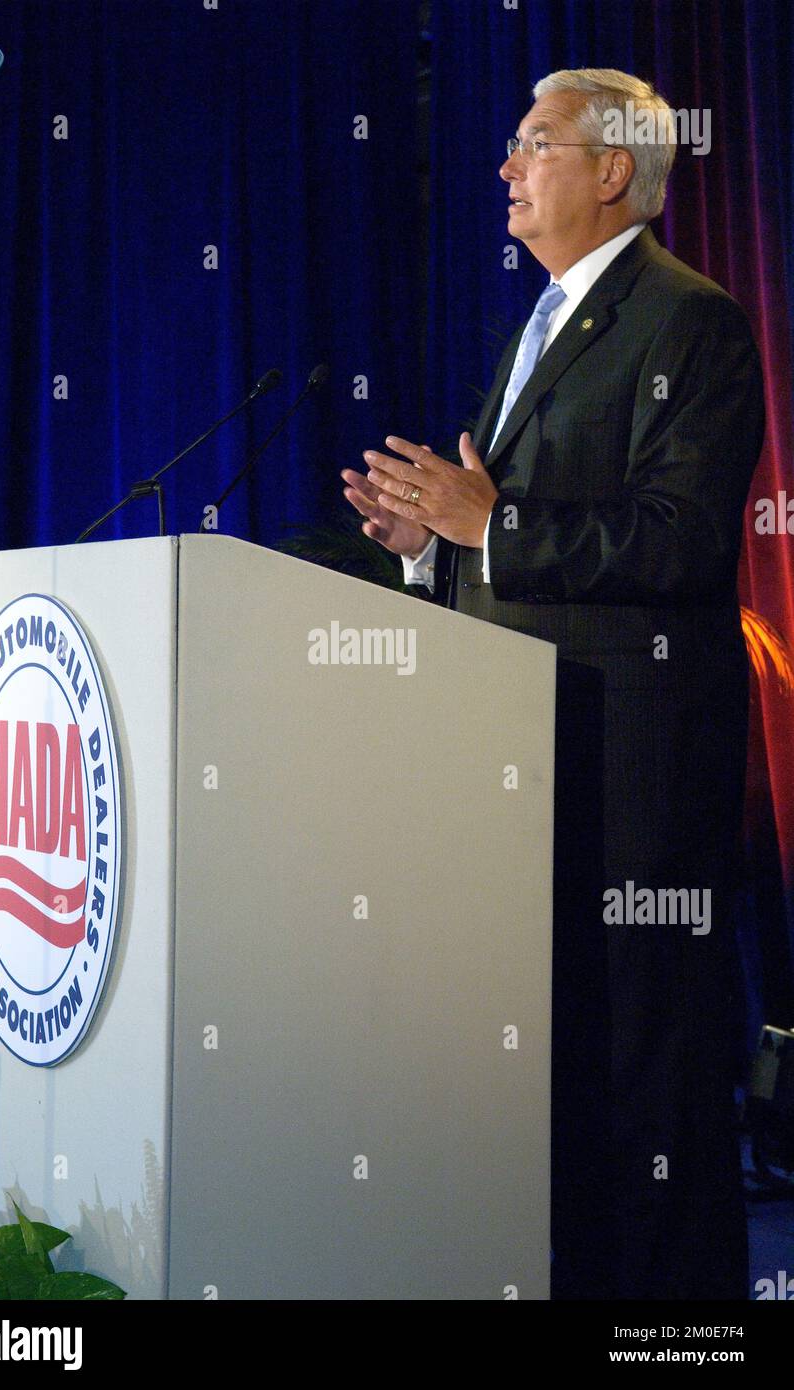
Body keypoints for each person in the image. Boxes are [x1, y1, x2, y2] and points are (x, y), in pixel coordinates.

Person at [341, 68, 765, 1301]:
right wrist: (433, 552)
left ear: (613, 171)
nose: (505, 166)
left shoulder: (690, 320)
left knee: (649, 1092)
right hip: (534, 771)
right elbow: (510, 541)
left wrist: (494, 523)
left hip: (634, 781)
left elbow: (678, 543)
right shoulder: (547, 325)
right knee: (563, 1086)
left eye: (532, 144)